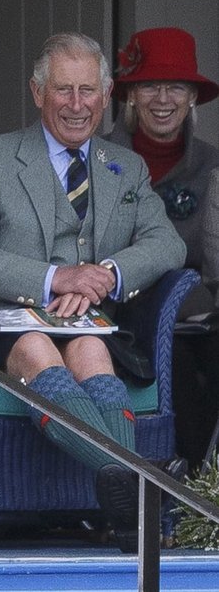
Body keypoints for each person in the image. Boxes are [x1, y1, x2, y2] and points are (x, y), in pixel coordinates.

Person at [0, 32, 187, 552]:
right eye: (62, 91)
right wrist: (56, 278)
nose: (76, 105)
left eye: (87, 91)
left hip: (89, 321)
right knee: (37, 348)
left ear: (107, 94)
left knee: (93, 351)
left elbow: (167, 242)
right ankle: (146, 485)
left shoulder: (126, 166)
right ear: (37, 93)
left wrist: (109, 273)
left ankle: (127, 512)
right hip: (6, 322)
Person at [108, 28, 219, 471]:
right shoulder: (97, 156)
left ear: (192, 97)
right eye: (150, 85)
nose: (163, 98)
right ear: (131, 96)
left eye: (176, 86)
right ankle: (181, 488)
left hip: (197, 314)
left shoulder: (213, 165)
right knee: (171, 367)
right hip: (121, 311)